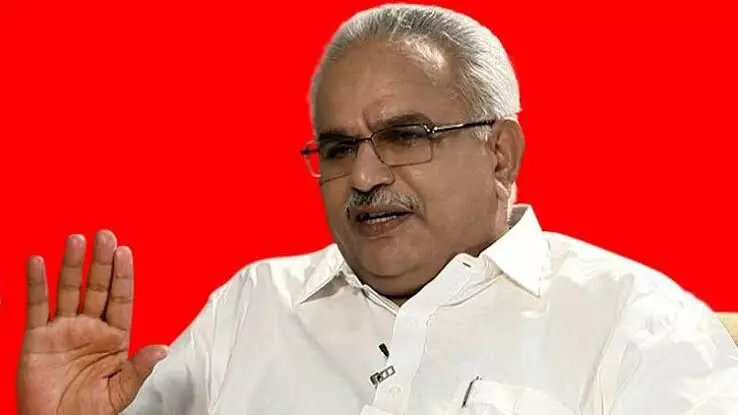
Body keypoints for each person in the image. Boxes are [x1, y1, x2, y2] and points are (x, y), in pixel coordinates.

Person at [16, 4, 738, 415]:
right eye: (337, 148)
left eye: (406, 136)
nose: (362, 175)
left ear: (500, 154)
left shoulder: (636, 326)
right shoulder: (253, 305)